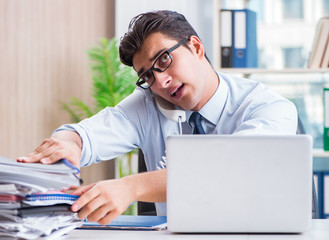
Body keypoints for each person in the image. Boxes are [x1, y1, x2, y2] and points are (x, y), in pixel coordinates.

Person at [17, 10, 297, 225]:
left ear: (196, 47)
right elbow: (86, 133)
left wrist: (131, 186)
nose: (160, 81)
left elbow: (229, 168)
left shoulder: (269, 107)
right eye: (147, 75)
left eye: (164, 60)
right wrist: (69, 143)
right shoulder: (151, 103)